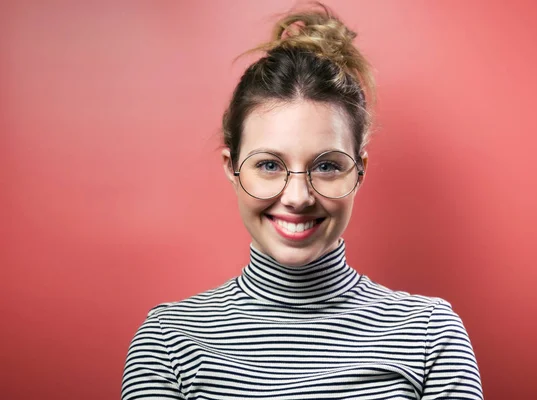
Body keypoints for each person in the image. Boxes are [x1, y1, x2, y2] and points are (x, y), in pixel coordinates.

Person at [121, 4, 483, 400]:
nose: (297, 197)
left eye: (327, 165)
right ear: (232, 167)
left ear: (359, 170)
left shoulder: (430, 333)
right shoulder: (169, 341)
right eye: (269, 165)